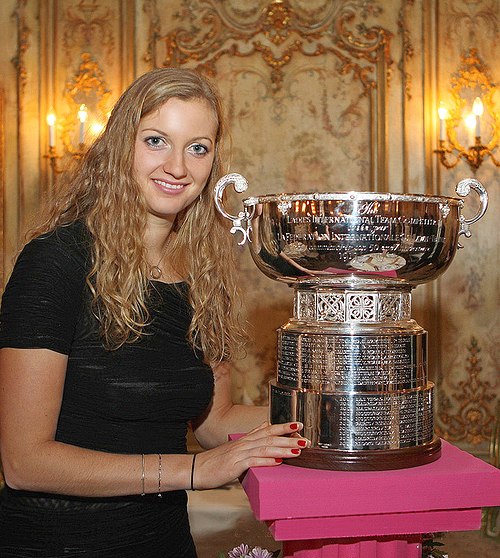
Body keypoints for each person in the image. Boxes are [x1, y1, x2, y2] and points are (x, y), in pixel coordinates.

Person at [0, 67, 309, 557]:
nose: (178, 167)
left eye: (198, 148)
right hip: (55, 543)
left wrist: (343, 415)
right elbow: (24, 462)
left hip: (162, 540)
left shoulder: (204, 278)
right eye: (156, 140)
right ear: (120, 146)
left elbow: (214, 422)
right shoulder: (55, 263)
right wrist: (195, 471)